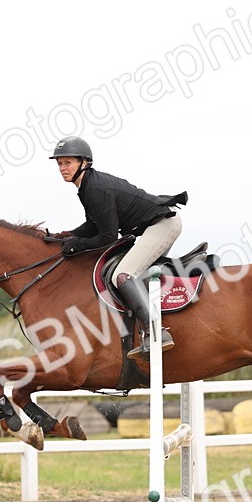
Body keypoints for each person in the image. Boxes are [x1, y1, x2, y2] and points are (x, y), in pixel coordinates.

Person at [47, 136, 188, 361]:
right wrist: (67, 235)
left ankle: (155, 333)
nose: (63, 168)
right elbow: (94, 225)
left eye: (68, 162)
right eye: (60, 164)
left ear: (84, 163)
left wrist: (75, 246)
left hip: (163, 224)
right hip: (157, 223)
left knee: (122, 276)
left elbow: (107, 237)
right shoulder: (87, 186)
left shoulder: (94, 189)